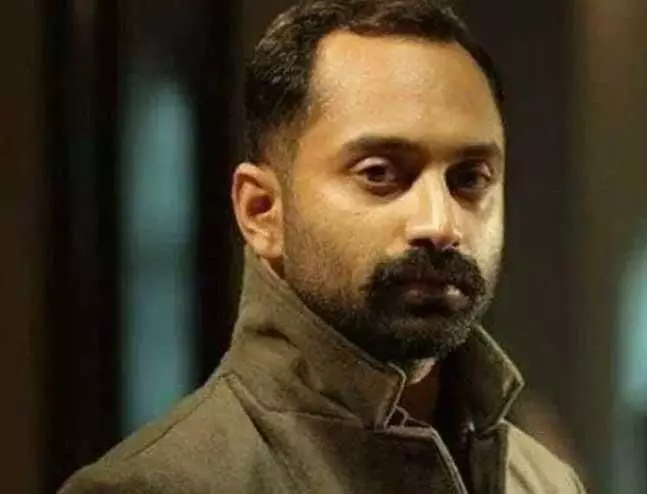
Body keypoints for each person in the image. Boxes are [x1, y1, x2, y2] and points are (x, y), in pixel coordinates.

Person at [60, 0, 586, 492]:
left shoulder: (541, 480)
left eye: (470, 178)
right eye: (379, 173)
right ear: (262, 211)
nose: (440, 223)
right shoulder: (158, 485)